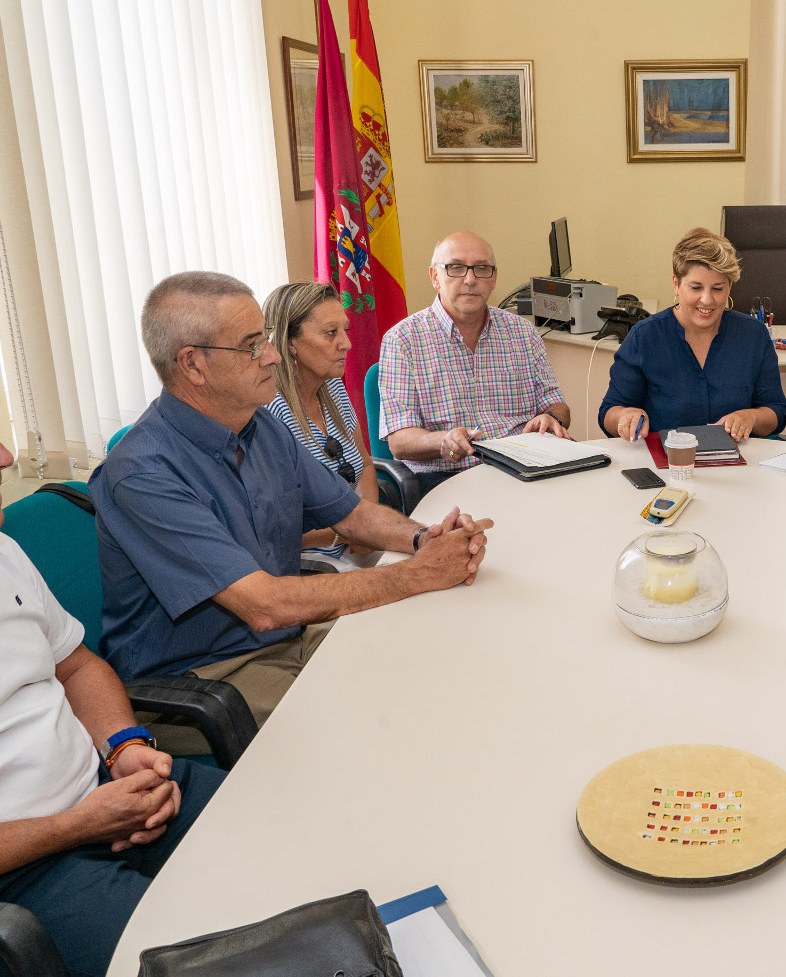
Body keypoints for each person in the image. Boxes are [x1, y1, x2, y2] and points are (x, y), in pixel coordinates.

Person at [0, 356, 223, 977]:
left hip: (106, 796)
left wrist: (122, 745)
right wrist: (71, 827)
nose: (4, 455)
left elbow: (76, 667)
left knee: (299, 834)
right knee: (228, 958)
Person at [91, 271, 492, 736]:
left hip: (284, 638)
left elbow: (354, 514)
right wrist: (418, 573)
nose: (272, 355)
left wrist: (425, 538)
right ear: (193, 365)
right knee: (389, 716)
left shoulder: (262, 426)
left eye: (265, 337)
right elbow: (263, 605)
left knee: (433, 659)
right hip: (205, 680)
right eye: (250, 345)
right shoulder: (142, 474)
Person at [379, 231, 570, 498]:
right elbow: (399, 442)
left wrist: (552, 418)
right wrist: (442, 440)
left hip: (524, 470)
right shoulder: (403, 340)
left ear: (493, 278)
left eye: (481, 269)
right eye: (456, 268)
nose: (470, 279)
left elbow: (557, 405)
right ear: (435, 277)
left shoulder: (523, 333)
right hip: (447, 477)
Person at [600, 227, 786, 441]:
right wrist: (626, 416)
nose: (707, 300)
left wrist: (750, 417)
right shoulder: (645, 337)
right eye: (696, 287)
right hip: (665, 464)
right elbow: (608, 413)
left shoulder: (753, 335)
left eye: (718, 288)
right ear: (676, 284)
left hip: (737, 465)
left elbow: (777, 412)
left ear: (730, 287)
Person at [263, 281, 381, 572]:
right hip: (309, 561)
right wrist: (354, 528)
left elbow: (365, 465)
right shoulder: (269, 413)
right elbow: (273, 529)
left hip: (356, 539)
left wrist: (367, 524)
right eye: (331, 333)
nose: (346, 343)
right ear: (290, 342)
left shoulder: (334, 388)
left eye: (345, 330)